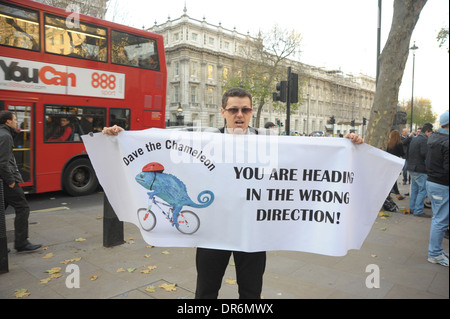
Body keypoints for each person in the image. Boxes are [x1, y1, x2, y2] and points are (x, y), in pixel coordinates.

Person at [102, 87, 364, 298]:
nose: (240, 115)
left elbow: (308, 154)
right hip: (212, 231)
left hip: (252, 231)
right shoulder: (205, 138)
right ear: (223, 112)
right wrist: (123, 136)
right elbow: (163, 143)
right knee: (206, 292)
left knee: (251, 293)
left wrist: (345, 144)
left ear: (251, 112)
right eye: (234, 109)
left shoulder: (269, 138)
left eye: (245, 109)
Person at [0, 111, 41, 252]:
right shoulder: (5, 136)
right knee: (23, 208)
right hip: (6, 181)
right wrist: (10, 181)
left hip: (3, 180)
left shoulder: (3, 133)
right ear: (8, 121)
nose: (17, 122)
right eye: (15, 119)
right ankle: (21, 243)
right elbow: (3, 162)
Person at [425, 112, 449, 267]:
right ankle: (434, 253)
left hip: (433, 182)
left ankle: (436, 251)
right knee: (440, 220)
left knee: (438, 219)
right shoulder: (447, 141)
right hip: (441, 184)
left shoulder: (433, 137)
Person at [406, 122, 433, 217]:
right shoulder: (424, 140)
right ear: (427, 132)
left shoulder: (415, 139)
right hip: (420, 168)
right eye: (430, 133)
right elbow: (424, 154)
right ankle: (418, 210)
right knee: (423, 190)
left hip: (412, 168)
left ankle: (413, 208)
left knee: (415, 190)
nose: (430, 135)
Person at [386, 130, 406, 200]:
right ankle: (397, 194)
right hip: (396, 163)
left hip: (389, 163)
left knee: (391, 179)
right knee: (393, 179)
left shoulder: (388, 144)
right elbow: (402, 153)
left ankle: (388, 194)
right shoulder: (399, 143)